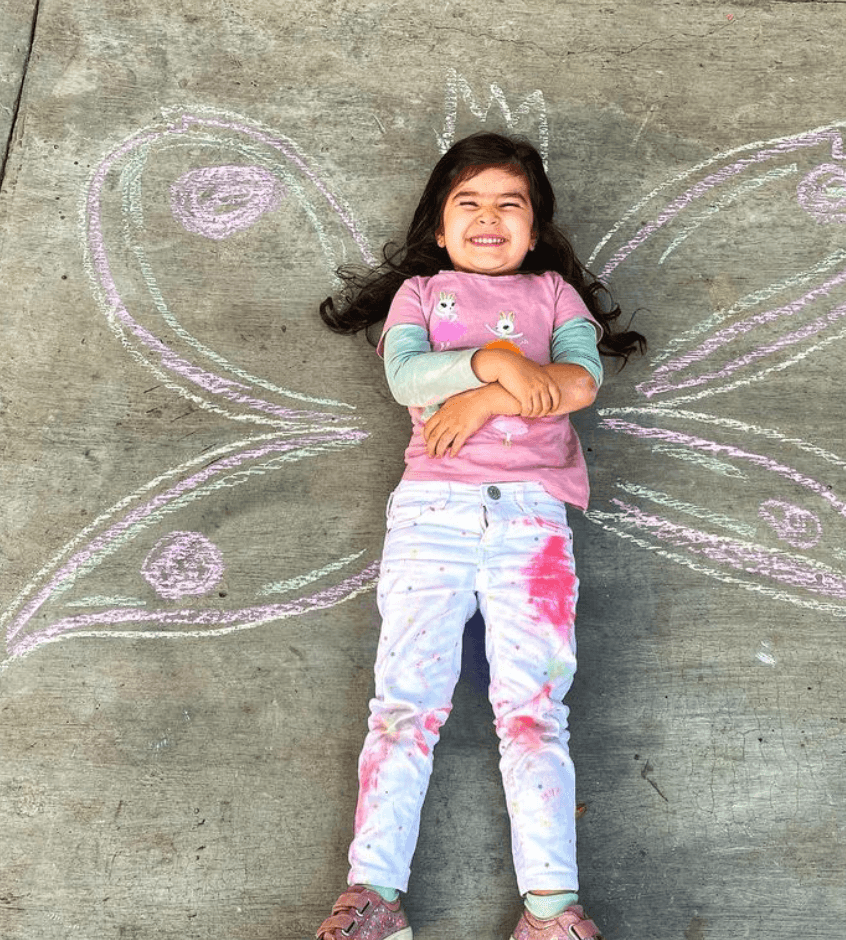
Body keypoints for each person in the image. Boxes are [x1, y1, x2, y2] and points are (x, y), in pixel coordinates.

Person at [315, 132, 643, 940]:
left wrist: (480, 400)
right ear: (439, 223)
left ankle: (551, 909)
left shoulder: (558, 297)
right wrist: (497, 365)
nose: (489, 217)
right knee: (404, 705)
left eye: (510, 205)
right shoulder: (422, 297)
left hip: (532, 522)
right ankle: (373, 897)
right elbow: (407, 378)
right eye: (469, 202)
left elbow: (577, 383)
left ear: (535, 230)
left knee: (534, 712)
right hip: (433, 515)